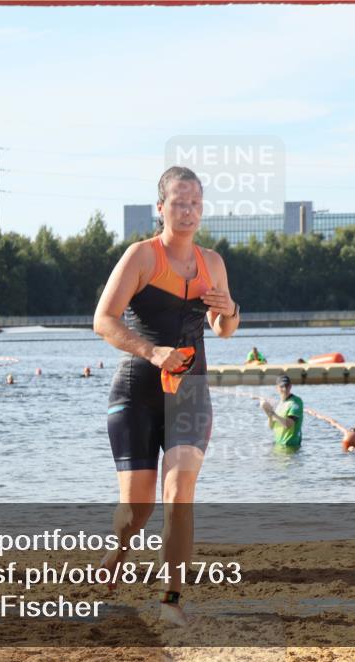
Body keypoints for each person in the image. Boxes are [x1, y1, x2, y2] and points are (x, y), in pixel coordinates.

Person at [93, 166, 240, 626]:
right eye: (179, 202)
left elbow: (224, 329)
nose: (188, 210)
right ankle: (119, 548)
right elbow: (104, 319)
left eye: (196, 202)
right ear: (161, 208)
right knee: (138, 509)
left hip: (191, 391)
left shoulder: (212, 263)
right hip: (139, 389)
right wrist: (151, 350)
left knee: (179, 491)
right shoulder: (141, 256)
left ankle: (171, 599)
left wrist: (231, 310)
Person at [260, 375, 304, 449]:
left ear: (290, 386)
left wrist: (272, 413)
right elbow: (271, 426)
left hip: (291, 447)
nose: (285, 389)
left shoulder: (296, 402)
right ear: (277, 388)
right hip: (279, 445)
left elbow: (288, 424)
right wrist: (267, 412)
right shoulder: (278, 404)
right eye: (282, 386)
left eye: (287, 386)